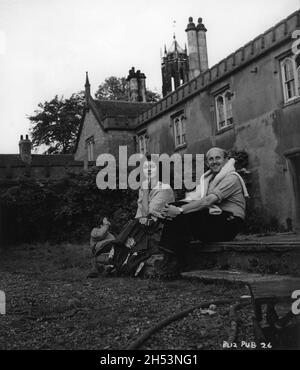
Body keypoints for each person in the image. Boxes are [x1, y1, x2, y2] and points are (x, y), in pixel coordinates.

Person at [156, 147, 249, 278]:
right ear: (207, 163)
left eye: (218, 158)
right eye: (211, 159)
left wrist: (179, 210)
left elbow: (207, 201)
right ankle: (169, 259)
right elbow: (193, 198)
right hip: (215, 218)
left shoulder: (231, 178)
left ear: (226, 160)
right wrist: (171, 209)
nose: (214, 161)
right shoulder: (208, 179)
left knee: (184, 213)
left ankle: (173, 262)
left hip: (230, 223)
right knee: (175, 208)